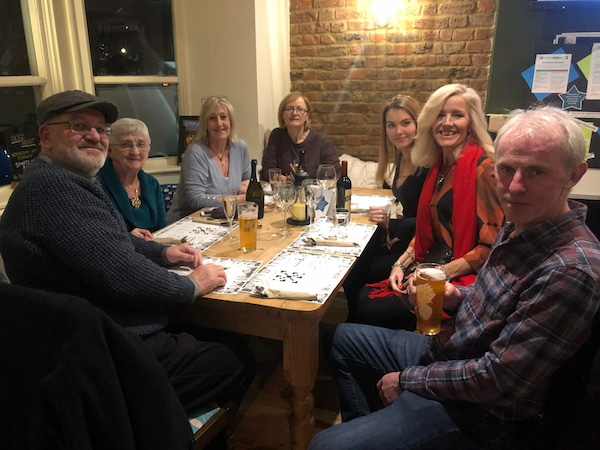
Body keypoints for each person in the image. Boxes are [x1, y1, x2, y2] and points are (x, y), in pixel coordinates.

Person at [309, 105, 600, 449]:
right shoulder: (523, 221)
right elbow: (500, 295)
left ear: (573, 175)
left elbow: (497, 379)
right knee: (342, 337)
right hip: (453, 353)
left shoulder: (570, 270)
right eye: (506, 169)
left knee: (324, 445)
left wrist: (407, 379)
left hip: (483, 415)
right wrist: (456, 296)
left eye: (537, 171)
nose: (515, 186)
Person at [0, 90, 254, 416]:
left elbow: (115, 239)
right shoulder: (53, 188)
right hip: (107, 356)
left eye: (101, 129)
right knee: (238, 359)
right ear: (46, 136)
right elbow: (122, 272)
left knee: (226, 334)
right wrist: (190, 285)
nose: (95, 135)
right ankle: (150, 428)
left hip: (103, 335)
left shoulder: (66, 179)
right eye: (79, 126)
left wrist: (163, 253)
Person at [351, 84, 505, 330]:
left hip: (459, 281)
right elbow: (426, 230)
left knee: (366, 307)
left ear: (472, 121)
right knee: (362, 294)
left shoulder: (484, 169)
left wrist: (437, 275)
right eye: (440, 115)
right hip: (432, 262)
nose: (447, 123)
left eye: (457, 115)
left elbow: (491, 247)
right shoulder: (440, 167)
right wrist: (400, 264)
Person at [342, 94, 429, 321]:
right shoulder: (402, 155)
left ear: (418, 124)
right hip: (407, 238)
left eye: (405, 123)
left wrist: (393, 225)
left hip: (422, 249)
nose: (398, 131)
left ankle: (355, 324)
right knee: (354, 259)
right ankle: (354, 323)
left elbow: (430, 220)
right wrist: (389, 229)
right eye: (391, 125)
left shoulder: (427, 162)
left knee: (357, 272)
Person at [167, 96, 250, 223]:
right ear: (205, 124)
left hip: (223, 219)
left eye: (223, 117)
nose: (219, 123)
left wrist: (244, 187)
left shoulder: (240, 147)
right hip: (188, 223)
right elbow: (196, 200)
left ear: (231, 121)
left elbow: (247, 179)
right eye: (212, 118)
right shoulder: (195, 153)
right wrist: (238, 199)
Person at [97, 118, 166, 240]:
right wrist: (129, 238)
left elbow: (163, 229)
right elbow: (98, 235)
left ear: (148, 149)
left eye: (140, 144)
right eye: (126, 145)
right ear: (110, 150)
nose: (135, 152)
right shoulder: (97, 184)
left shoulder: (152, 184)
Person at [260, 91, 340, 180]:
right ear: (282, 114)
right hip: (286, 192)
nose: (294, 113)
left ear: (307, 116)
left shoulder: (322, 141)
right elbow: (268, 171)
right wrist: (287, 180)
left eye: (300, 109)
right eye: (289, 109)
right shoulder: (277, 136)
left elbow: (335, 173)